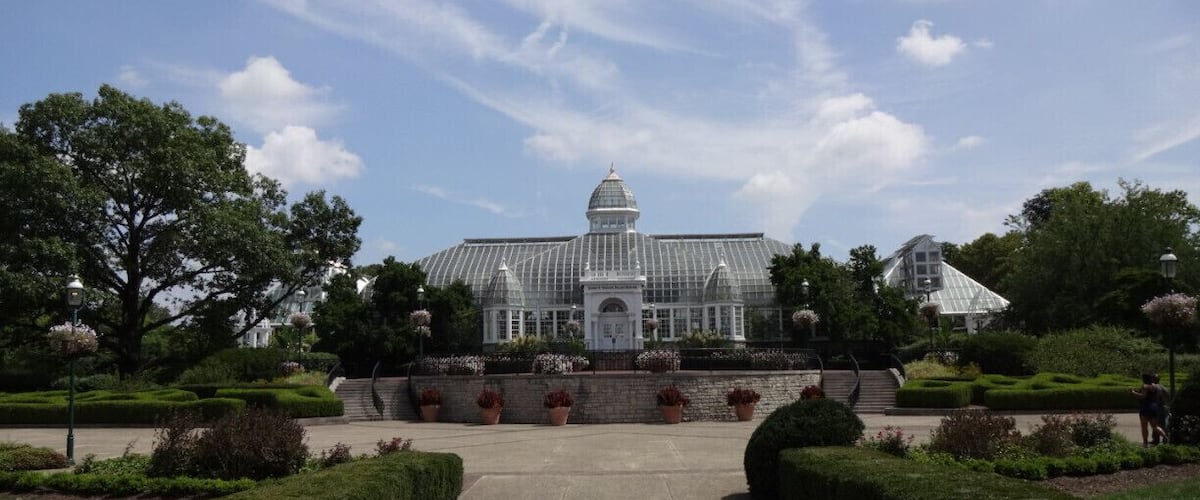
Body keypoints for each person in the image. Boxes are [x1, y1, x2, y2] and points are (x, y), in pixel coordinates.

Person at [1133, 373, 1168, 446]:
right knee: (1155, 426)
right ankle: (1165, 437)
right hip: (1154, 407)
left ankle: (1145, 443)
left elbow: (1143, 396)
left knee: (1144, 426)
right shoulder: (1155, 386)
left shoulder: (1145, 386)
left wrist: (1133, 393)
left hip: (1145, 407)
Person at [1151, 374, 1170, 444]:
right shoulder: (1164, 387)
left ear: (1153, 379)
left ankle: (1156, 439)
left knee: (1155, 424)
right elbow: (1168, 396)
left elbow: (1156, 398)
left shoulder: (1155, 387)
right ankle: (1165, 439)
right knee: (1164, 424)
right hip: (1165, 407)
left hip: (1158, 407)